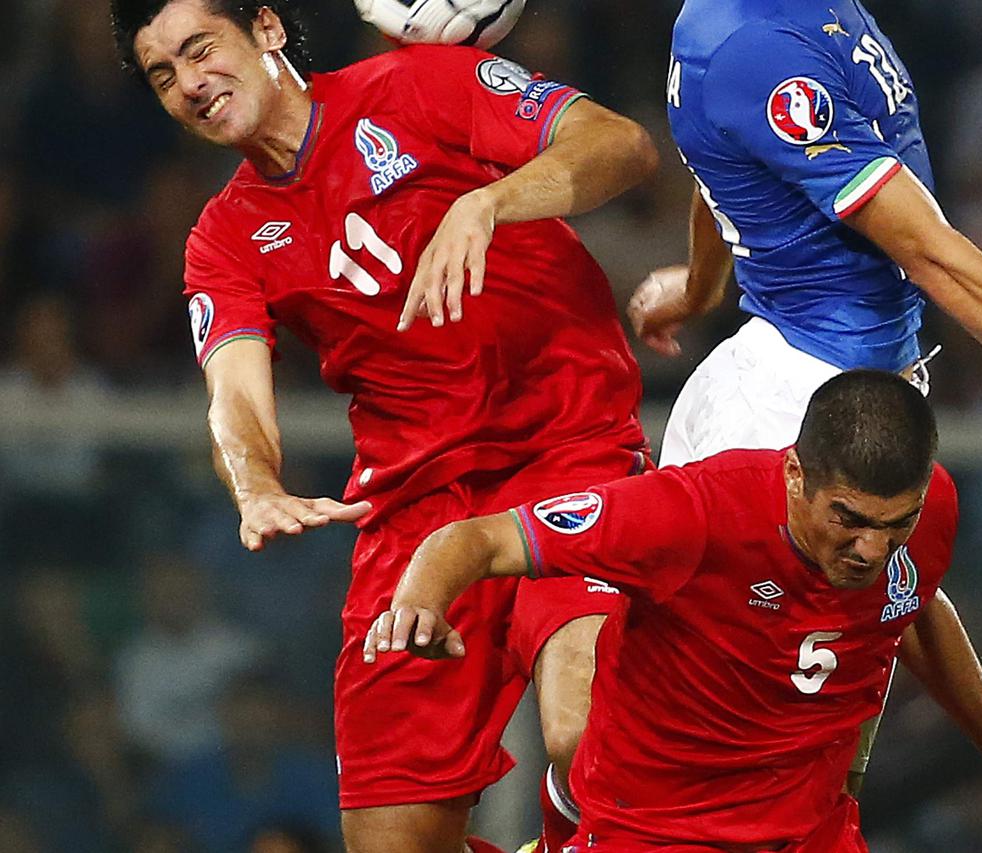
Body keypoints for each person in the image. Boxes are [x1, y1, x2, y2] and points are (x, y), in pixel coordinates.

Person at [110, 1, 659, 851]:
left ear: (264, 29)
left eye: (198, 49)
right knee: (393, 842)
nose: (190, 84)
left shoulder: (419, 82)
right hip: (413, 510)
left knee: (579, 729)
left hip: (569, 452)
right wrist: (253, 486)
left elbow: (621, 145)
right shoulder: (223, 236)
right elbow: (237, 400)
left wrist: (489, 205)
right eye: (163, 75)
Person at [629, 0, 982, 796]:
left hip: (828, 377)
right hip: (789, 414)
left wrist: (698, 286)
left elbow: (725, 160)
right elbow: (932, 254)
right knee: (744, 766)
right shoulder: (757, 52)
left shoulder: (785, 19)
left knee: (809, 760)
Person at [365, 370, 982, 851]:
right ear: (796, 474)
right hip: (657, 833)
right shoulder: (692, 512)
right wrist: (417, 606)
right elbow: (476, 540)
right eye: (849, 518)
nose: (872, 549)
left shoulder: (932, 509)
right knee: (570, 732)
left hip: (810, 834)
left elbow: (914, 605)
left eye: (894, 523)